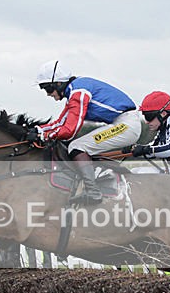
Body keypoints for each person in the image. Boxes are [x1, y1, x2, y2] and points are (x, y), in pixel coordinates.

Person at [27, 60, 142, 204]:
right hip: (122, 123)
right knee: (77, 145)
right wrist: (38, 129)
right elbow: (60, 122)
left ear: (58, 83)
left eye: (47, 89)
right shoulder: (75, 91)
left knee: (77, 146)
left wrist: (43, 136)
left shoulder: (79, 92)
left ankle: (93, 192)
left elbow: (70, 130)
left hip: (127, 125)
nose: (48, 94)